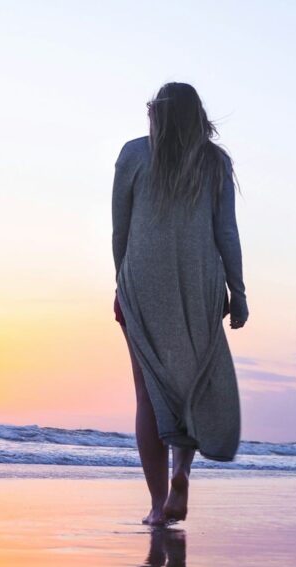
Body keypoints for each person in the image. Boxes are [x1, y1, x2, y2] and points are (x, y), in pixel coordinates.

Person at [112, 82, 248, 526]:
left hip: (144, 281)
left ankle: (157, 505)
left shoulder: (133, 154)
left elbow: (121, 230)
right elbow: (225, 232)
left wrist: (121, 285)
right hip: (199, 283)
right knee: (191, 386)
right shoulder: (215, 162)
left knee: (148, 395)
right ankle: (181, 474)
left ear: (156, 114)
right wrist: (238, 293)